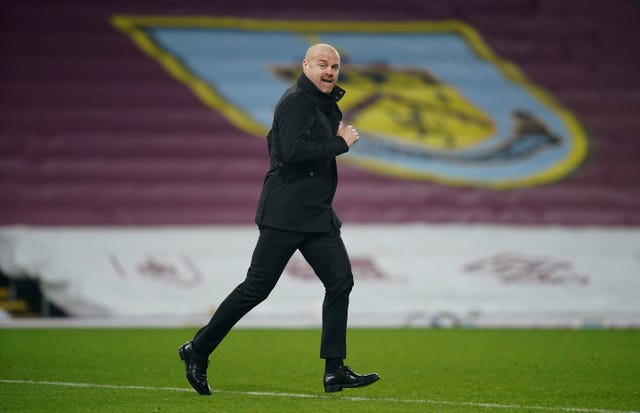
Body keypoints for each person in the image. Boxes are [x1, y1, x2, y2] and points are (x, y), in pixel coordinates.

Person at [178, 43, 380, 395]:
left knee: (340, 281)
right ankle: (197, 350)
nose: (330, 71)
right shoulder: (296, 101)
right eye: (322, 64)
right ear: (305, 66)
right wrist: (340, 144)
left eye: (334, 66)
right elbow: (291, 151)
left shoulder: (326, 105)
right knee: (256, 289)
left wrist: (334, 143)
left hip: (316, 214)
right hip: (285, 214)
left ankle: (334, 370)